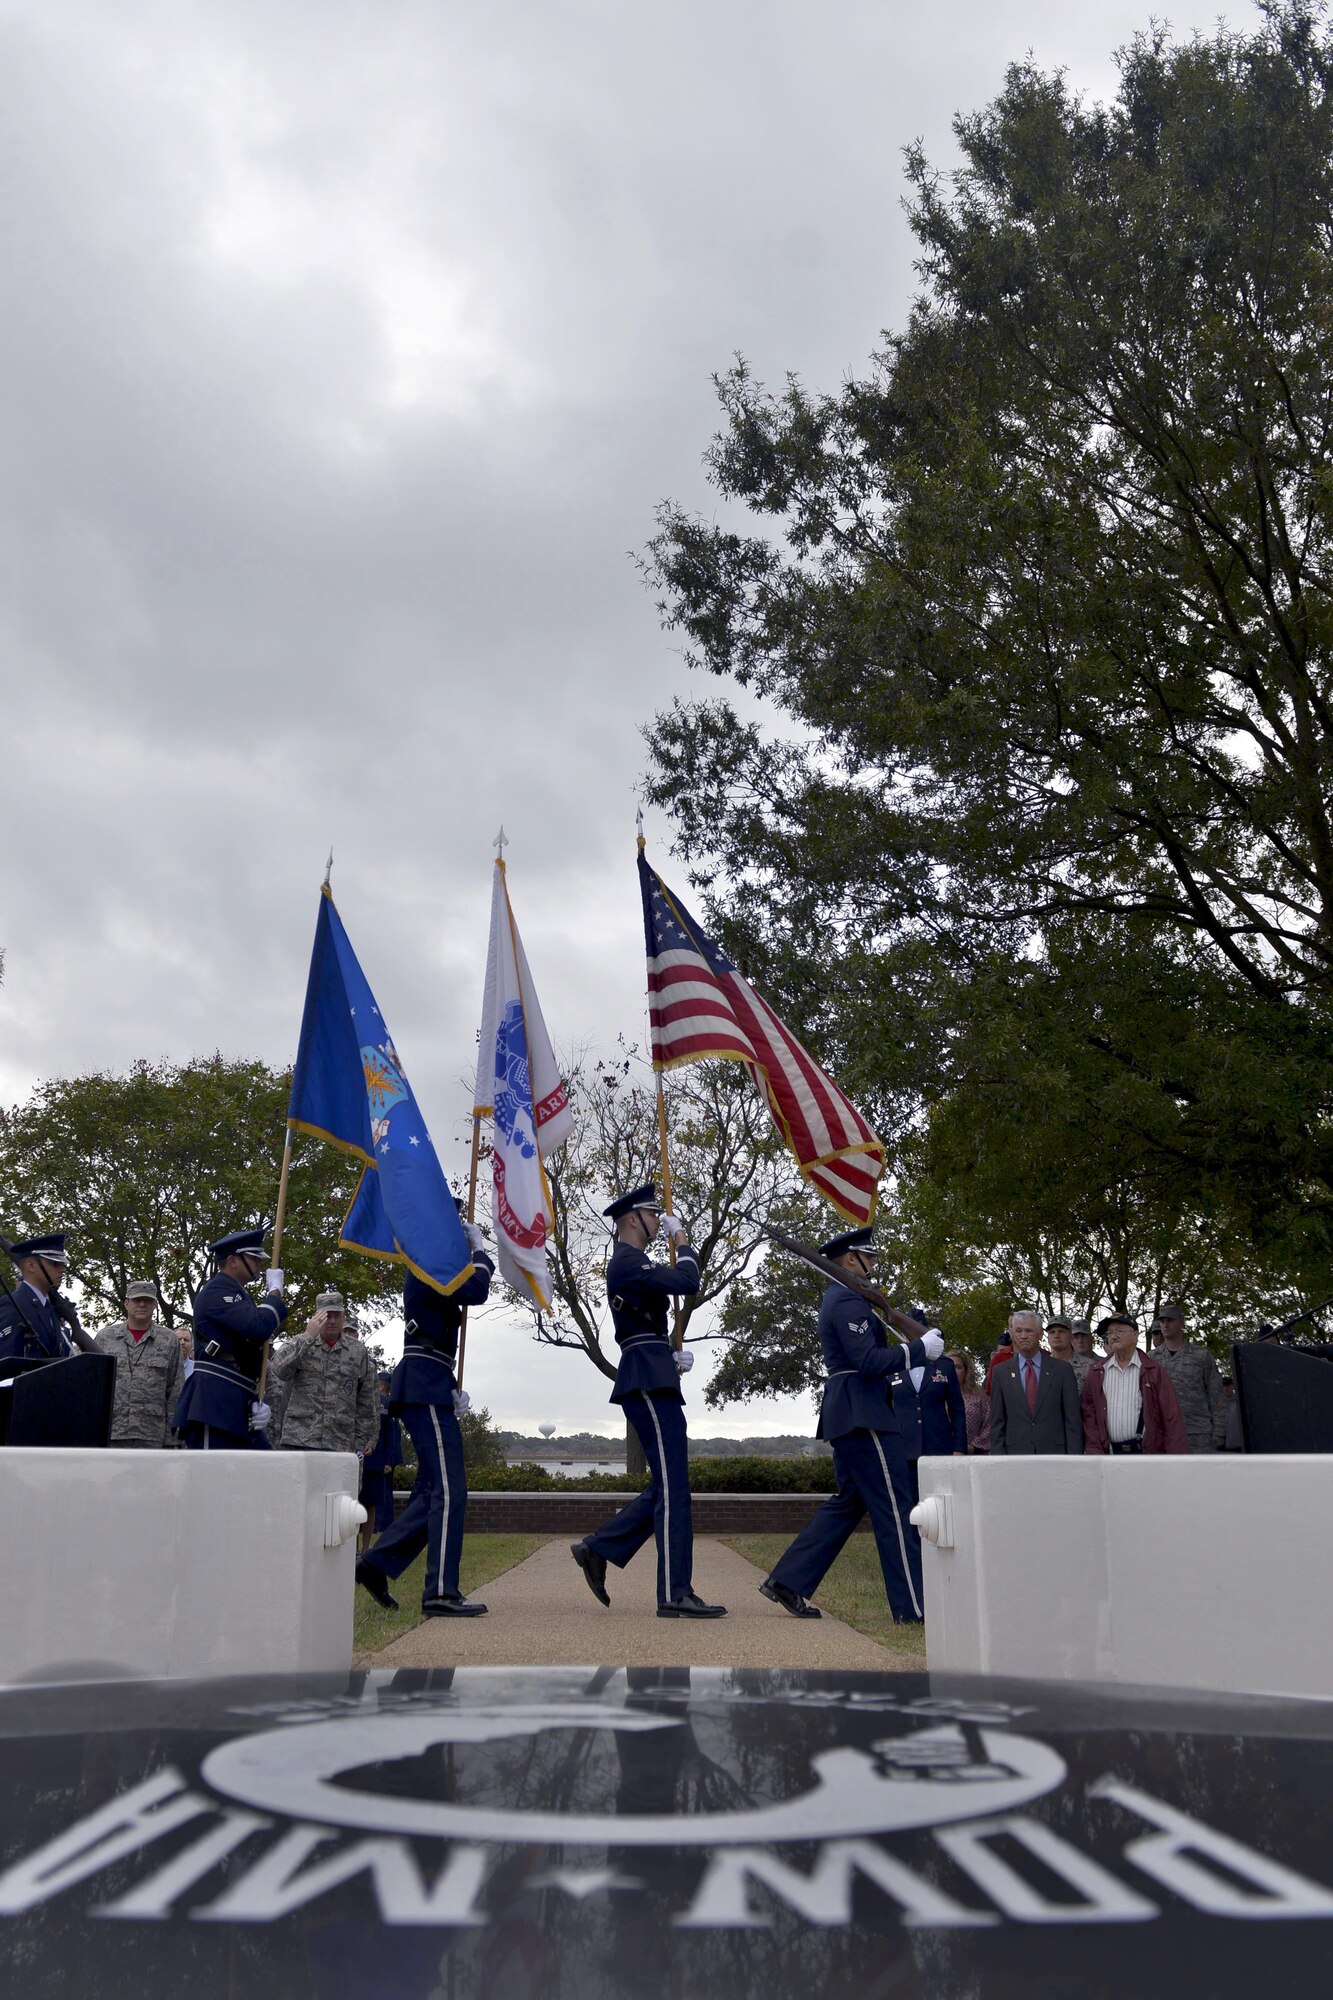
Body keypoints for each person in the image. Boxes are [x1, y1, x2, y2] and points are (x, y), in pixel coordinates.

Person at [756, 1227, 942, 1623]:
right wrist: (916, 1350)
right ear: (849, 1259)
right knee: (895, 1509)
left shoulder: (852, 1299)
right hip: (864, 1413)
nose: (873, 1265)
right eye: (868, 1257)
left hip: (855, 1411)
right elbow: (869, 1362)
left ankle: (788, 1580)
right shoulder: (845, 1300)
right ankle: (913, 1608)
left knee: (848, 1504)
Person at [569, 1183, 724, 1619]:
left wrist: (668, 1352)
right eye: (654, 1214)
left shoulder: (634, 1264)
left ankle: (598, 1549)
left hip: (654, 1368)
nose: (659, 1220)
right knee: (675, 1486)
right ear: (633, 1218)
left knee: (668, 1483)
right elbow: (688, 1281)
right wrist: (684, 1240)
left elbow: (648, 1316)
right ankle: (675, 1592)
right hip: (646, 1377)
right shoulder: (627, 1262)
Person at [355, 1222, 493, 1617]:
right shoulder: (428, 1263)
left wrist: (450, 1382)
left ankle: (375, 1563)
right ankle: (440, 1592)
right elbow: (476, 1290)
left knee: (434, 1491)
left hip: (433, 1380)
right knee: (451, 1491)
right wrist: (480, 1253)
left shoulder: (434, 1264)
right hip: (423, 1383)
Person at [171, 1227, 288, 1450]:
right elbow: (257, 1327)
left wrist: (255, 1401)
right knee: (211, 1478)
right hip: (214, 1402)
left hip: (235, 1398)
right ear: (233, 1260)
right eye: (254, 1258)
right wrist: (274, 1293)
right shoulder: (218, 1290)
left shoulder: (238, 1294)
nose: (259, 1264)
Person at [268, 1289, 379, 1455]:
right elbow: (279, 1370)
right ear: (316, 1317)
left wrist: (363, 1440)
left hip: (340, 1441)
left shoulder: (357, 1351)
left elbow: (366, 1400)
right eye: (327, 1316)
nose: (332, 1321)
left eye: (336, 1315)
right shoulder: (301, 1343)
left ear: (344, 1316)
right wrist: (307, 1337)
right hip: (300, 1440)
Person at [1082, 1313, 1189, 1455]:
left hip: (1147, 1457)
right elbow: (1090, 1416)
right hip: (1109, 1456)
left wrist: (1176, 1460)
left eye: (1119, 1331)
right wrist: (1095, 1452)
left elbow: (1171, 1417)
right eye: (1110, 1332)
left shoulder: (1153, 1371)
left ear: (1135, 1335)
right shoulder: (1096, 1372)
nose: (1113, 1336)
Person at [94, 1280, 183, 1447]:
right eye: (137, 1300)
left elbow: (175, 1392)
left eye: (147, 1300)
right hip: (111, 1432)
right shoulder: (105, 1337)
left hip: (151, 1435)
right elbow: (93, 1387)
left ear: (155, 1304)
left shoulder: (169, 1340)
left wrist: (172, 1439)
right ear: (126, 1303)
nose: (142, 1304)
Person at [989, 1309, 1083, 1454]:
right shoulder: (1000, 1372)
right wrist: (998, 1460)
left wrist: (1074, 1458)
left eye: (1029, 1331)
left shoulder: (1062, 1370)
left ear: (1040, 1334)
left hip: (1055, 1455)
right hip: (1015, 1456)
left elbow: (1073, 1421)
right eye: (1019, 1331)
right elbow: (997, 1423)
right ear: (1012, 1334)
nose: (1023, 1336)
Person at [893, 1320, 968, 1503]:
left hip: (938, 1448)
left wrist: (959, 1448)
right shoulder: (893, 1363)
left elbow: (957, 1409)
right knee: (909, 1507)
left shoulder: (944, 1364)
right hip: (904, 1449)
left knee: (940, 1505)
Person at [1152, 1302, 1227, 1453]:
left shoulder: (1201, 1356)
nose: (1165, 1325)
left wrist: (1220, 1430)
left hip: (1198, 1433)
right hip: (1163, 1434)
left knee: (1200, 1476)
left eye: (1170, 1320)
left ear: (1181, 1322)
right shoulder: (1152, 1359)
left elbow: (1216, 1394)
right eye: (1162, 1321)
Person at [0, 1233, 88, 1360]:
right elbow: (6, 1363)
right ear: (31, 1266)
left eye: (62, 1264)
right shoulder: (13, 1304)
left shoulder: (51, 1310)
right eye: (54, 1263)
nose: (63, 1269)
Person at [360, 1371, 403, 1539]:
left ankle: (383, 1525)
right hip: (370, 1458)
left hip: (381, 1458)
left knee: (381, 1496)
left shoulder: (385, 1404)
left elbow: (391, 1434)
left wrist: (389, 1460)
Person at [949, 1348, 989, 1452]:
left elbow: (989, 1425)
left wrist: (971, 1448)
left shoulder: (979, 1396)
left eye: (958, 1367)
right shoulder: (935, 1395)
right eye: (950, 1367)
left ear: (966, 1371)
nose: (953, 1371)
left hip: (972, 1456)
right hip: (940, 1455)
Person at [1068, 1319, 1097, 1389]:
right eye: (1076, 1337)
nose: (1080, 1341)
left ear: (1091, 1338)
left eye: (1083, 1336)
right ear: (1071, 1340)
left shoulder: (1104, 1364)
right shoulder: (1065, 1366)